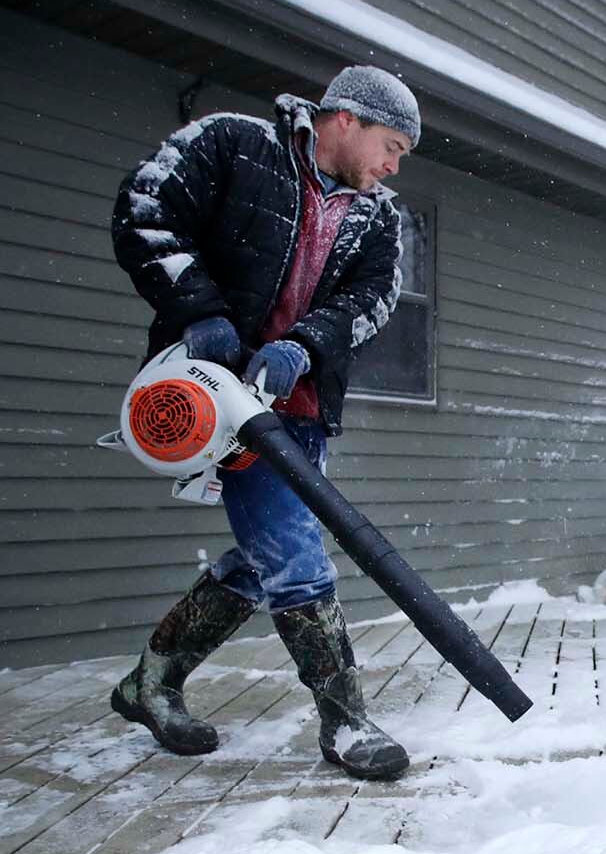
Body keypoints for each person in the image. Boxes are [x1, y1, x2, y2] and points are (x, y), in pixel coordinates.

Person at [107, 65, 421, 781]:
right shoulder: (232, 144)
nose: (394, 165)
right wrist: (201, 309)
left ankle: (149, 684)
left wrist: (305, 345)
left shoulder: (378, 215)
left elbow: (374, 299)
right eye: (392, 145)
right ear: (347, 118)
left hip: (299, 410)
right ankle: (346, 723)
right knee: (292, 555)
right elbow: (145, 210)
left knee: (262, 559)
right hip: (213, 396)